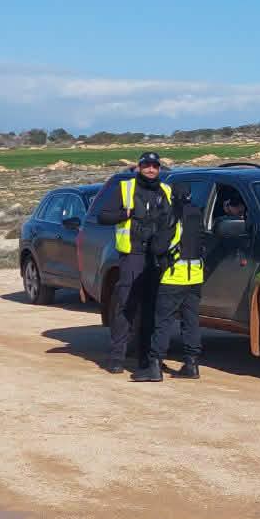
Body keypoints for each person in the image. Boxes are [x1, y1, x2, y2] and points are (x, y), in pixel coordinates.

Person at [93, 151, 174, 380]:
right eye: (146, 165)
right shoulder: (125, 188)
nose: (151, 169)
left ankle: (146, 359)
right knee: (126, 306)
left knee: (150, 308)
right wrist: (127, 213)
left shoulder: (165, 191)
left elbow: (172, 221)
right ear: (139, 167)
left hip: (155, 255)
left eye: (155, 166)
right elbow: (103, 216)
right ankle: (117, 357)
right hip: (133, 254)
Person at [149, 183, 204, 379]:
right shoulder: (197, 213)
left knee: (163, 322)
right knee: (191, 322)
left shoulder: (173, 215)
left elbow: (159, 246)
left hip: (173, 275)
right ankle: (192, 364)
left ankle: (155, 366)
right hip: (195, 274)